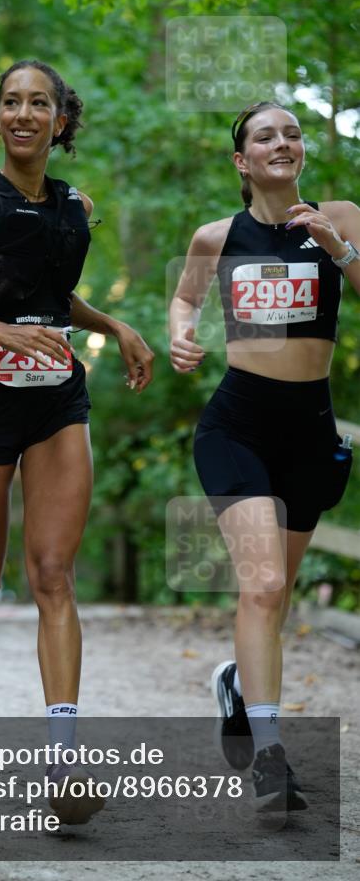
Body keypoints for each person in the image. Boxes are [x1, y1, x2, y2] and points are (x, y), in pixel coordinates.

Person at [0, 59, 154, 825]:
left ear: (59, 121)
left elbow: (50, 297)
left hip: (54, 401)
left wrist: (110, 323)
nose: (21, 113)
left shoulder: (76, 205)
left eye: (37, 103)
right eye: (9, 102)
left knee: (52, 572)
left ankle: (63, 759)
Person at [169, 101, 359, 811]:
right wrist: (180, 336)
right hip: (236, 427)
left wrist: (336, 248)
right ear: (240, 162)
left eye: (290, 133)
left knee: (273, 600)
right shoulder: (215, 236)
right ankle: (270, 760)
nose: (281, 142)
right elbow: (184, 302)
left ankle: (236, 687)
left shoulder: (340, 215)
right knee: (263, 589)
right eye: (263, 136)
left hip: (310, 432)